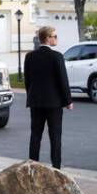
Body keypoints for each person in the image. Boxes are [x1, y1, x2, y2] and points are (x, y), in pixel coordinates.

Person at [23, 26, 72, 169]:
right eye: (54, 36)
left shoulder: (30, 57)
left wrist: (31, 95)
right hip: (54, 103)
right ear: (46, 38)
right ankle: (56, 168)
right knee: (55, 136)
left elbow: (28, 81)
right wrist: (68, 100)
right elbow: (63, 80)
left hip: (36, 102)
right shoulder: (57, 56)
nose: (56, 39)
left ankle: (32, 167)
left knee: (35, 135)